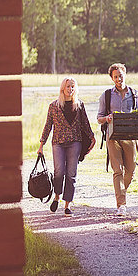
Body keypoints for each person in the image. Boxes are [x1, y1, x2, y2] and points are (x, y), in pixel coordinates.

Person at [38, 77, 95, 217]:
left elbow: (85, 123)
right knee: (59, 172)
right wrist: (41, 145)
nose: (70, 89)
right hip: (58, 143)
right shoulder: (54, 106)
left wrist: (93, 138)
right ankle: (57, 196)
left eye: (73, 87)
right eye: (68, 86)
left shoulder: (79, 105)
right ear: (63, 88)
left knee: (71, 174)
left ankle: (67, 204)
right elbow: (48, 126)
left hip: (75, 142)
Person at [97, 63, 138, 216]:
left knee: (131, 170)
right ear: (112, 78)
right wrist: (107, 118)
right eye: (115, 77)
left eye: (120, 76)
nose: (118, 79)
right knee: (118, 170)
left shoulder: (135, 94)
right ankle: (121, 204)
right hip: (112, 137)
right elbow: (99, 118)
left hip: (129, 137)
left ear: (125, 75)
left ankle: (120, 191)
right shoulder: (107, 95)